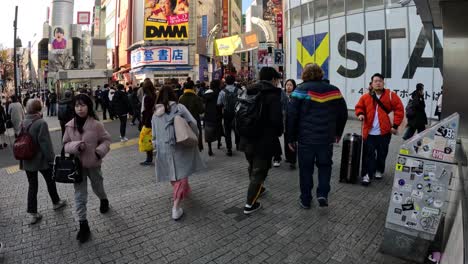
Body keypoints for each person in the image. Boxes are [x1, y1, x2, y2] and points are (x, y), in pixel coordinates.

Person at [287, 64, 348, 208]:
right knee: (325, 166)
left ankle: (306, 199)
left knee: (306, 170)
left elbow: (291, 116)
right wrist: (338, 133)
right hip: (326, 139)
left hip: (305, 139)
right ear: (321, 74)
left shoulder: (300, 90)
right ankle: (322, 194)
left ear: (305, 74)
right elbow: (343, 114)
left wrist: (290, 138)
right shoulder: (334, 91)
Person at [152, 85, 206, 220]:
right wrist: (194, 136)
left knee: (173, 174)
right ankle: (176, 208)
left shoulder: (155, 114)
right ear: (173, 95)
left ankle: (183, 190)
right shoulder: (179, 108)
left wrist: (156, 148)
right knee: (181, 174)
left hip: (163, 148)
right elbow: (193, 123)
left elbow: (154, 135)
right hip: (180, 146)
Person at [63, 94, 112, 243]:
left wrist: (99, 152)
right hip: (77, 167)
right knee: (80, 195)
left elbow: (106, 140)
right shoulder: (69, 125)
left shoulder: (96, 124)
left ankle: (103, 199)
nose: (80, 108)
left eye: (83, 105)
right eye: (77, 105)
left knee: (98, 186)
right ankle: (83, 224)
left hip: (94, 164)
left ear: (88, 106)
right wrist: (75, 146)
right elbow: (65, 144)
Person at [238, 67, 284, 215]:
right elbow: (276, 120)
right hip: (264, 139)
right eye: (277, 79)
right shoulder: (272, 94)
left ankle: (260, 188)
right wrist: (278, 133)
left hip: (246, 136)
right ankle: (249, 204)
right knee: (260, 170)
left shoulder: (248, 90)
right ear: (273, 79)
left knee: (252, 164)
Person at [19, 99, 67, 224]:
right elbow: (46, 144)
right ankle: (56, 202)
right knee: (50, 181)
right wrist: (52, 159)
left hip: (27, 160)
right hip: (41, 160)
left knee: (32, 185)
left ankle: (33, 212)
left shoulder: (22, 122)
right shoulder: (41, 123)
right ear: (39, 108)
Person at [355, 73, 404, 185]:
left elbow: (399, 110)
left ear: (383, 83)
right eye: (375, 81)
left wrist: (395, 125)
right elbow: (359, 107)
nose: (378, 83)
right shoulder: (365, 97)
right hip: (369, 132)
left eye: (380, 81)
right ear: (372, 84)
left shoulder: (391, 95)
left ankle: (379, 170)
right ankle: (366, 175)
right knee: (368, 154)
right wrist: (360, 114)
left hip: (385, 132)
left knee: (382, 153)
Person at [217, 75, 242, 156]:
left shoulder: (222, 92)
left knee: (227, 131)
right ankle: (238, 144)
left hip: (227, 113)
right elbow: (243, 102)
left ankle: (229, 149)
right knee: (237, 128)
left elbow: (218, 103)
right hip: (236, 113)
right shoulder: (239, 91)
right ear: (234, 81)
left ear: (226, 82)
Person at [178, 81, 205, 151]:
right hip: (195, 120)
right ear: (193, 87)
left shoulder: (181, 98)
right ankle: (198, 148)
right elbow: (201, 110)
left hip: (184, 122)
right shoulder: (196, 97)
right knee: (196, 135)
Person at [203, 80, 223, 156]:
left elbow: (204, 103)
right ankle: (218, 143)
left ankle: (210, 149)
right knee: (218, 129)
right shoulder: (220, 92)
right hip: (218, 114)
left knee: (208, 133)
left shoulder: (207, 93)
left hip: (208, 115)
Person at [140, 79, 157, 166]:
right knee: (154, 138)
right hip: (155, 120)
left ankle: (149, 159)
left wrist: (144, 122)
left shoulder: (147, 97)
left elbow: (146, 111)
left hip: (148, 121)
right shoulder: (155, 95)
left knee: (147, 140)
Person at [283, 79, 297, 169]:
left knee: (292, 140)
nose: (288, 87)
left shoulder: (295, 96)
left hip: (293, 122)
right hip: (284, 122)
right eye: (287, 85)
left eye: (290, 85)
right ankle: (288, 157)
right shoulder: (283, 95)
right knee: (285, 140)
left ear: (294, 86)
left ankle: (293, 161)